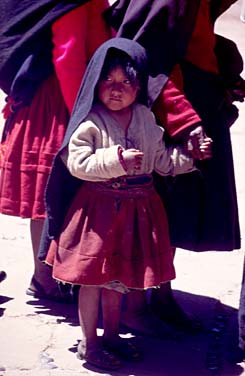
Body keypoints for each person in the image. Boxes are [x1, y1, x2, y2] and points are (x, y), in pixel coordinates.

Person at [40, 38, 212, 370]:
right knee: (94, 279)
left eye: (126, 82)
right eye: (108, 81)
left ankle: (113, 336)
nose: (116, 89)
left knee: (119, 278)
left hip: (138, 210)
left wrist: (191, 157)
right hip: (99, 211)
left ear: (140, 86)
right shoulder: (90, 123)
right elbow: (77, 164)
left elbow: (161, 161)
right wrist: (115, 159)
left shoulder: (146, 119)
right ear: (95, 82)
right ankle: (90, 343)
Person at [104, 0, 245, 334]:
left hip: (197, 100)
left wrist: (224, 76)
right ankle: (135, 308)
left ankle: (162, 294)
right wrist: (185, 123)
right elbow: (147, 61)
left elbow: (196, 39)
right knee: (149, 212)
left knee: (174, 215)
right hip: (166, 115)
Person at [0, 0, 112, 302]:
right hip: (58, 100)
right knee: (50, 193)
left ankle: (47, 275)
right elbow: (68, 55)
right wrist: (84, 113)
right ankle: (45, 279)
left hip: (39, 93)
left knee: (50, 195)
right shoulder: (72, 2)